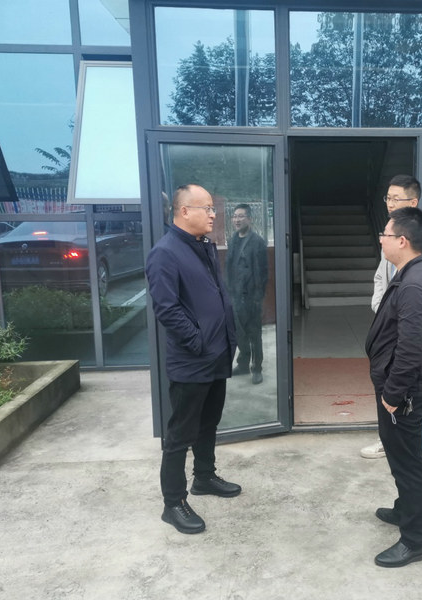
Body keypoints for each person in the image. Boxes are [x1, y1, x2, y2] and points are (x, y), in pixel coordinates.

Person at [145, 184, 242, 535]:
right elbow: (166, 309)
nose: (214, 214)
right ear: (185, 211)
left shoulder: (203, 245)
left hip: (216, 354)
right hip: (192, 360)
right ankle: (173, 503)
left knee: (209, 422)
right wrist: (198, 341)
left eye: (213, 208)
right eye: (207, 208)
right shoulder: (165, 253)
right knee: (180, 435)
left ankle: (204, 477)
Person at [366, 207, 422, 568]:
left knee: (409, 465)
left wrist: (393, 395)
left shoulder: (415, 284)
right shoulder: (408, 274)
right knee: (399, 457)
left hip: (404, 395)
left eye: (384, 234)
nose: (380, 240)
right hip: (397, 390)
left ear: (401, 240)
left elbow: (411, 350)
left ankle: (414, 541)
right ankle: (403, 509)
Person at [361, 174, 422, 474]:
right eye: (388, 198)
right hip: (392, 318)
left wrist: (395, 313)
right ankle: (389, 439)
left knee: (420, 385)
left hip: (411, 320)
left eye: (397, 198)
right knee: (391, 382)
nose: (390, 203)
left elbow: (420, 285)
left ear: (414, 201)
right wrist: (383, 309)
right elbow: (381, 278)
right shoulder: (392, 232)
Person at [225, 204, 269, 385]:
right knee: (239, 333)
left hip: (251, 297)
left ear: (249, 219)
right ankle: (243, 364)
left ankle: (257, 368)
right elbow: (229, 268)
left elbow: (263, 273)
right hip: (235, 296)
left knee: (254, 334)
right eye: (235, 216)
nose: (237, 219)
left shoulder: (257, 242)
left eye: (241, 216)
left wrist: (258, 297)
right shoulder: (232, 240)